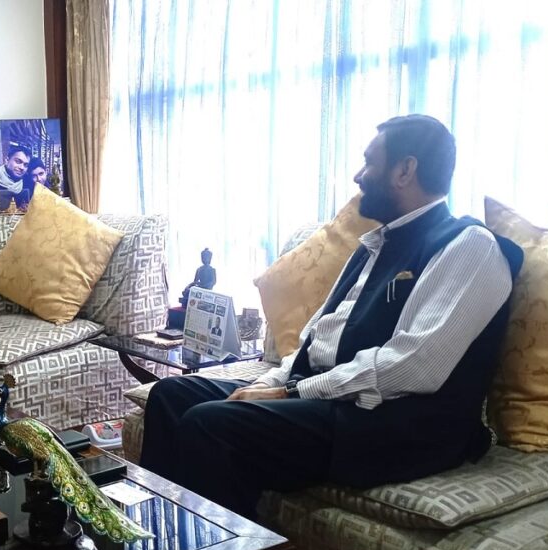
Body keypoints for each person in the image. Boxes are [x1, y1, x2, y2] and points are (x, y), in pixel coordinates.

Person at [140, 114, 524, 520]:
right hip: (336, 404)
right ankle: (159, 547)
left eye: (369, 162)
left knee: (211, 425)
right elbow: (316, 337)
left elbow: (414, 367)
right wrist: (272, 382)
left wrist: (293, 393)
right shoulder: (374, 245)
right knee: (170, 397)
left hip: (399, 425)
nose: (359, 175)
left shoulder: (469, 247)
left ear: (405, 170)